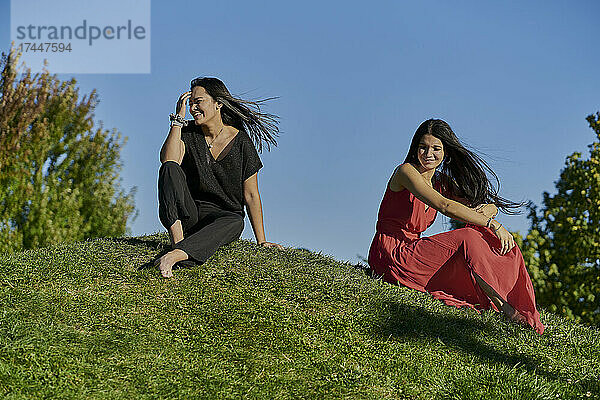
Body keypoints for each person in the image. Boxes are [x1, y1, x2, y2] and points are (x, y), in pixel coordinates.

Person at [368, 119, 544, 334]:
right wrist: (493, 223)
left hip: (413, 249)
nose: (428, 154)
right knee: (468, 236)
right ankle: (506, 309)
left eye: (436, 148)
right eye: (423, 147)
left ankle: (509, 302)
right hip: (391, 253)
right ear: (415, 148)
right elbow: (446, 206)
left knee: (481, 233)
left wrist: (489, 212)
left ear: (446, 153)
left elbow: (481, 205)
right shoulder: (406, 172)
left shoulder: (441, 182)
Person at [156, 77, 283, 278]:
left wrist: (262, 240)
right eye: (190, 103)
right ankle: (178, 246)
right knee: (169, 169)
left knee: (236, 221)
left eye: (198, 101)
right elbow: (168, 162)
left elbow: (250, 195)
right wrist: (178, 122)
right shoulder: (187, 132)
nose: (192, 108)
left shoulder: (241, 142)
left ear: (218, 104)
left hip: (223, 218)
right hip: (191, 213)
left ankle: (177, 255)